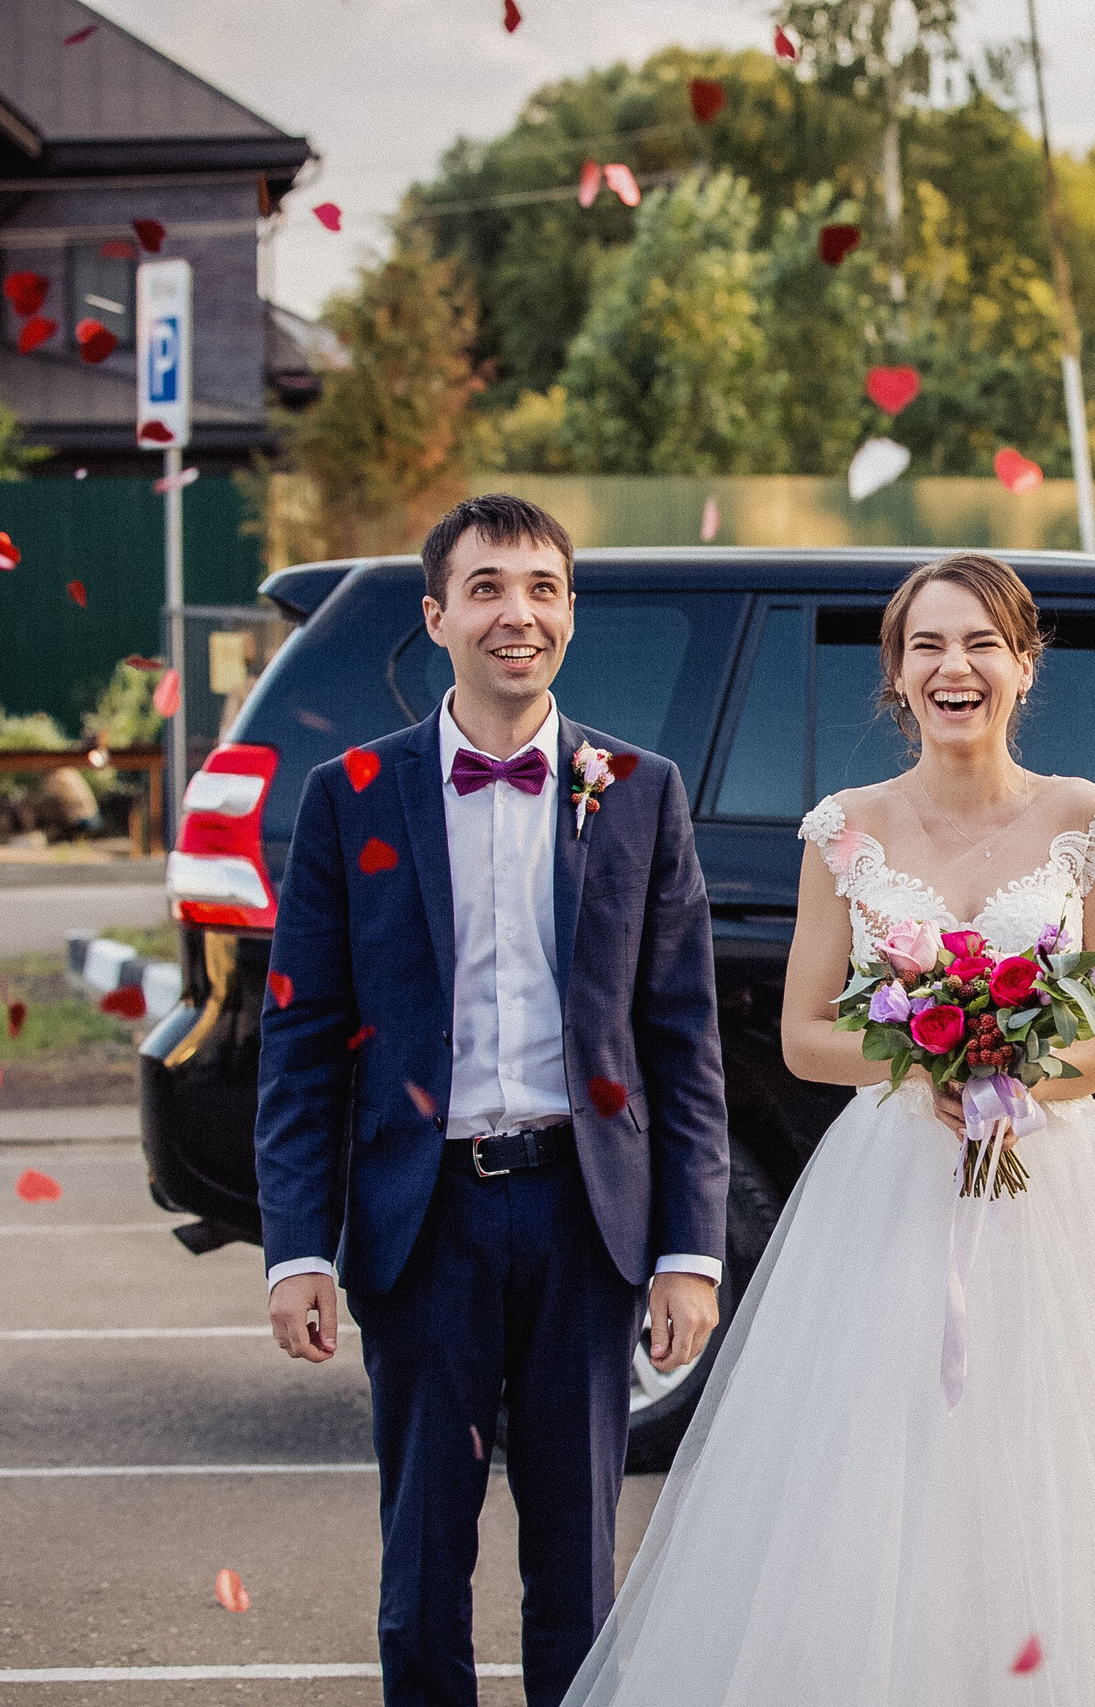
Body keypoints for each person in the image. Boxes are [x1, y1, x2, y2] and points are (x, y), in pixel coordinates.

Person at [563, 554, 1095, 1706]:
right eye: (926, 646)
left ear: (1023, 666)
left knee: (1056, 1465)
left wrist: (1023, 1072)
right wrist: (929, 1062)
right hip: (891, 1188)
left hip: (1053, 1187)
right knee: (883, 1460)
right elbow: (807, 1032)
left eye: (979, 644)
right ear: (897, 676)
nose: (952, 666)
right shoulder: (846, 829)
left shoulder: (1083, 820)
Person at [255, 494, 729, 1707]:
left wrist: (689, 1252)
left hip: (586, 1215)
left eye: (542, 589)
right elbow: (301, 1042)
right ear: (436, 618)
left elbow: (681, 1038)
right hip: (423, 1219)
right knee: (422, 1556)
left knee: (577, 1558)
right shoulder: (351, 793)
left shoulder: (639, 789)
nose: (517, 614)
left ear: (570, 612)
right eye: (486, 589)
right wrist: (297, 1248)